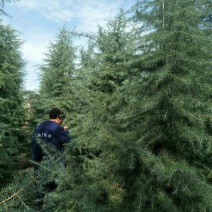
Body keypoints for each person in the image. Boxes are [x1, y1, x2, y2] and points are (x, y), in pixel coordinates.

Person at [32, 107, 71, 210]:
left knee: (39, 189)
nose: (61, 121)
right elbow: (67, 141)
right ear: (58, 117)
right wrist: (66, 131)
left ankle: (37, 209)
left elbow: (34, 145)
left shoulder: (38, 127)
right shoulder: (56, 128)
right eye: (61, 119)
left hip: (38, 163)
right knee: (52, 191)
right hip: (54, 164)